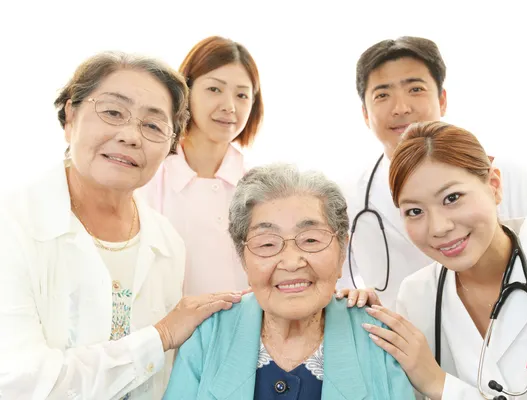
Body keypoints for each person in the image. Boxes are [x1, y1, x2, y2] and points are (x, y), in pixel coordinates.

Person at [0, 51, 243, 400]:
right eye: (113, 112)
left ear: (172, 145)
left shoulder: (166, 242)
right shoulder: (11, 225)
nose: (131, 136)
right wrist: (159, 337)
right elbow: (23, 382)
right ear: (70, 116)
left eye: (153, 126)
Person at [343, 121, 527, 399]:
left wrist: (439, 384)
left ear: (494, 186)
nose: (438, 227)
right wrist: (359, 324)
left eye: (452, 198)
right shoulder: (416, 295)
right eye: (415, 211)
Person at [340, 36, 527, 308]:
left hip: (515, 331)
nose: (401, 108)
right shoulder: (347, 198)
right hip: (406, 338)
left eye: (415, 89)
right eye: (382, 95)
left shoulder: (505, 174)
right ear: (366, 114)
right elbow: (336, 286)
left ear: (443, 100)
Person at [162, 164, 416, 399]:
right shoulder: (207, 335)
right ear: (243, 260)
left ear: (342, 253)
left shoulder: (379, 339)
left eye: (311, 240)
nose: (292, 262)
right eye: (267, 244)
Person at [139, 36, 264, 296]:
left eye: (242, 95)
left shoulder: (261, 185)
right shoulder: (147, 177)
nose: (229, 107)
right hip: (170, 332)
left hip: (246, 329)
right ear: (186, 90)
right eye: (214, 89)